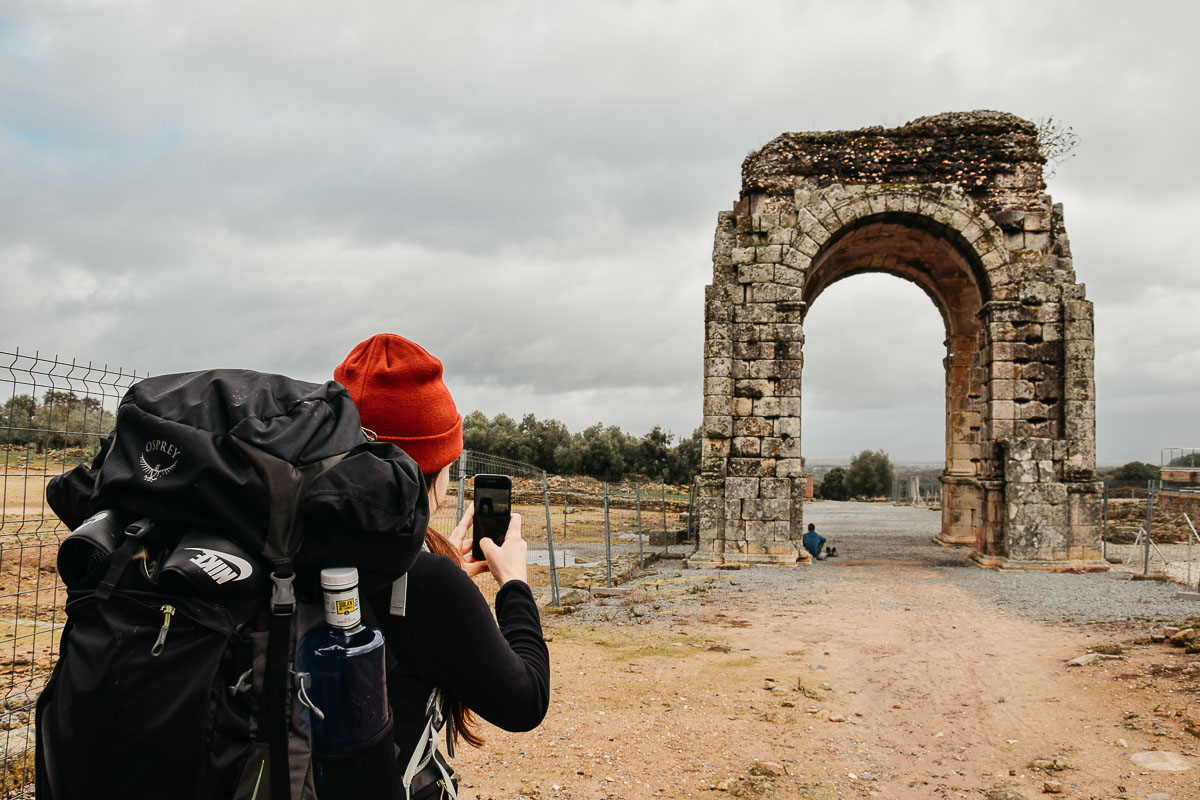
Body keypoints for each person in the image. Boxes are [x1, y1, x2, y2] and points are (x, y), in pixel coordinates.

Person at [334, 333, 550, 797]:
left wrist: (436, 562)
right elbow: (525, 701)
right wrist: (514, 583)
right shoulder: (426, 586)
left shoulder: (300, 546)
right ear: (429, 470)